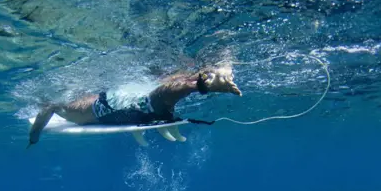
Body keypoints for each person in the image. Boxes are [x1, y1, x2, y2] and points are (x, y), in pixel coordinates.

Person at [27, 66, 242, 147]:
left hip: (130, 109)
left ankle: (206, 83)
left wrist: (34, 135)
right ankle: (207, 74)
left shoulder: (72, 111)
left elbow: (50, 106)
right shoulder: (81, 102)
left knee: (162, 96)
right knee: (165, 92)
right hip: (135, 108)